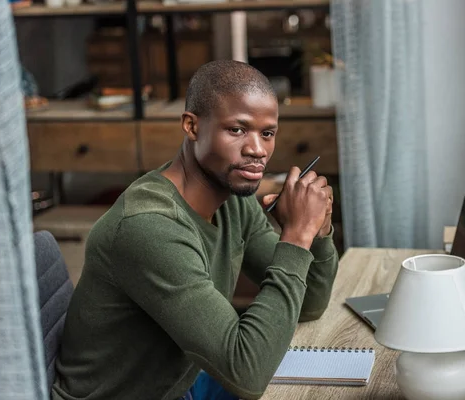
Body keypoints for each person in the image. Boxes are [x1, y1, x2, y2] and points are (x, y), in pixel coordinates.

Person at [52, 60, 339, 400]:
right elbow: (247, 373)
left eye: (267, 133)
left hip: (180, 385)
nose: (258, 150)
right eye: (237, 130)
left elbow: (309, 303)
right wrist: (295, 236)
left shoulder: (233, 198)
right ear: (191, 126)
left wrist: (317, 230)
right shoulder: (149, 226)